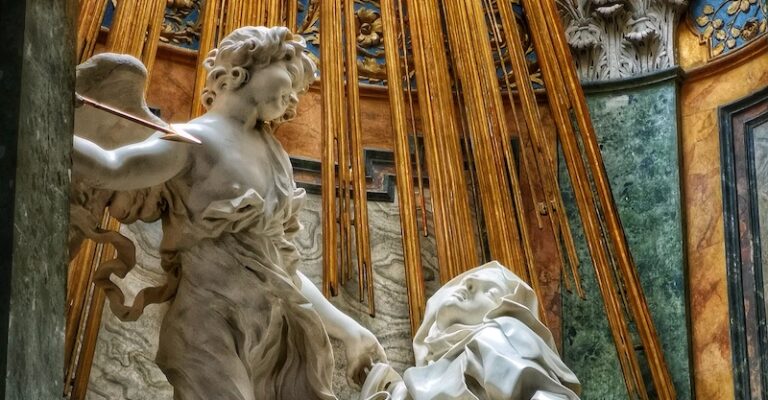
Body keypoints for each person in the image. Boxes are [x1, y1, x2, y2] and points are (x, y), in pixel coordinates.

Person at [72, 26, 385, 400]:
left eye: (299, 93)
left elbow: (280, 269)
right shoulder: (190, 139)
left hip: (272, 336)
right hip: (208, 326)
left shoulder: (277, 160)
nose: (294, 98)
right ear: (240, 68)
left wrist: (350, 330)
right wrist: (46, 116)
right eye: (289, 71)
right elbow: (112, 167)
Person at [361, 261, 581, 400]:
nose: (470, 284)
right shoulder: (431, 371)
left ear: (504, 311)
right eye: (467, 280)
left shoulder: (496, 338)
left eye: (491, 291)